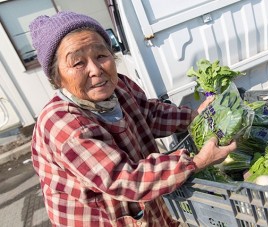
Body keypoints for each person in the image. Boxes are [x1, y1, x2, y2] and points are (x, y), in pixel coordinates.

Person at [29, 11, 236, 227]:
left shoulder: (119, 86)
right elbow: (124, 178)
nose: (95, 70)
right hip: (98, 217)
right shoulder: (63, 124)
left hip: (141, 201)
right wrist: (198, 161)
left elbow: (150, 114)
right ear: (56, 77)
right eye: (78, 63)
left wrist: (193, 117)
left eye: (101, 56)